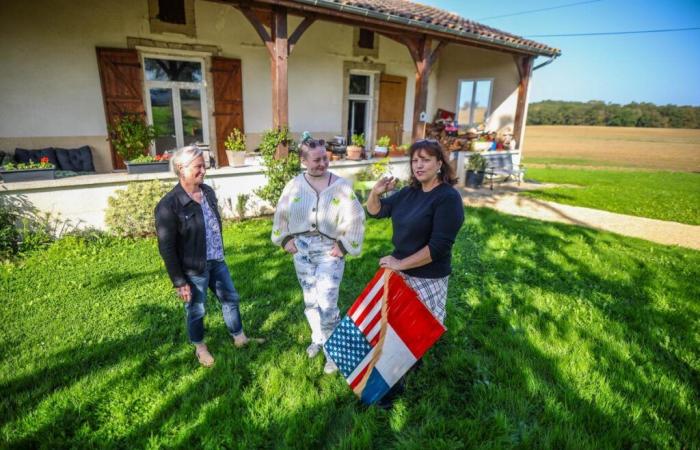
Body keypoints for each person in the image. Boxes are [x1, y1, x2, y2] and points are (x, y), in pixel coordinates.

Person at [366, 139, 465, 406]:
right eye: (414, 160)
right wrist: (375, 192)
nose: (418, 165)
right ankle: (396, 371)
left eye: (425, 159)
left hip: (427, 275)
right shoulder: (410, 192)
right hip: (400, 272)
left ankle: (394, 382)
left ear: (439, 164)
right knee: (394, 327)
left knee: (409, 329)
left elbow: (439, 247)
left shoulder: (448, 198)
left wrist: (399, 263)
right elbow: (377, 211)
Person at [155, 145, 261, 368]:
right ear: (181, 169)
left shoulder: (207, 192)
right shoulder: (168, 205)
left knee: (230, 298)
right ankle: (200, 348)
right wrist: (179, 281)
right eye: (198, 166)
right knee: (196, 309)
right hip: (193, 269)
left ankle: (240, 338)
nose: (204, 170)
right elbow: (166, 247)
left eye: (205, 165)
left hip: (217, 261)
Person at [271, 134, 365, 374]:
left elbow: (356, 216)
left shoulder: (341, 186)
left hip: (329, 251)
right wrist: (285, 239)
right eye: (316, 160)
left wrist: (344, 245)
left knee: (327, 302)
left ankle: (334, 350)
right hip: (301, 251)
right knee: (311, 299)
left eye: (325, 158)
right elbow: (281, 212)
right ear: (304, 161)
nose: (322, 163)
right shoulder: (294, 185)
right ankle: (318, 339)